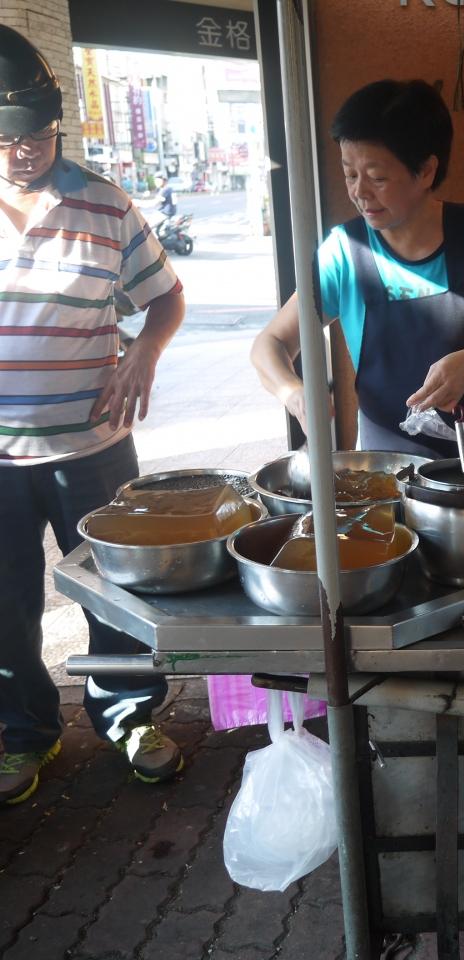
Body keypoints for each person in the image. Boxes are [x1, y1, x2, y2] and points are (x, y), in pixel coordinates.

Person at [0, 26, 187, 805]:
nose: (25, 151)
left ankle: (129, 717)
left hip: (95, 449)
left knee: (116, 591)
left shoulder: (106, 204)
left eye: (39, 135)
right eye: (9, 138)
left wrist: (144, 352)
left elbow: (165, 297)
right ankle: (23, 734)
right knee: (5, 605)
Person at [251, 79, 464, 456]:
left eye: (377, 177)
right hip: (388, 472)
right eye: (350, 174)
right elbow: (270, 343)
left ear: (426, 171)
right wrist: (295, 394)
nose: (359, 192)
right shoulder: (344, 253)